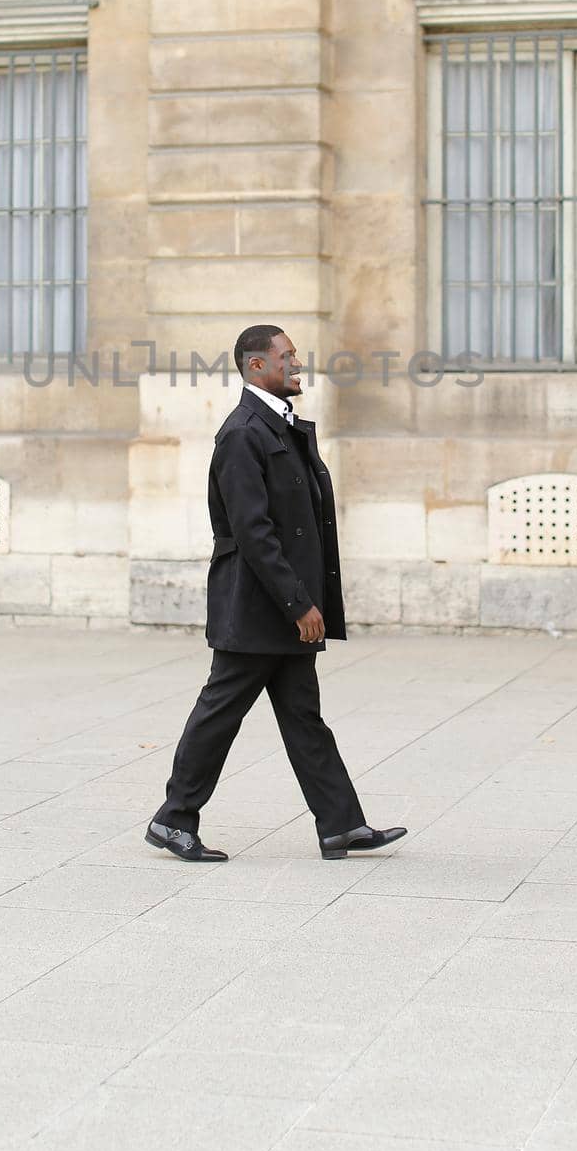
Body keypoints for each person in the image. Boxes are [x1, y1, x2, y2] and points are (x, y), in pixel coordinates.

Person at [145, 324, 407, 863]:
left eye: (294, 355)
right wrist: (299, 604)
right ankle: (173, 820)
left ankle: (341, 825)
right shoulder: (244, 433)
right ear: (255, 367)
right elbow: (253, 532)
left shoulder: (279, 426)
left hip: (281, 608)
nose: (296, 363)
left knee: (304, 717)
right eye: (286, 357)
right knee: (220, 713)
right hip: (257, 607)